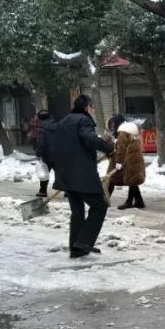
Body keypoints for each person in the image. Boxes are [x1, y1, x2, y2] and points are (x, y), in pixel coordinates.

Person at [51, 94, 112, 259]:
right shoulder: (83, 121)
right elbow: (90, 138)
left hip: (65, 174)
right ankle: (84, 241)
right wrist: (109, 147)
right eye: (92, 107)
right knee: (100, 205)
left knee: (77, 212)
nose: (93, 110)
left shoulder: (63, 122)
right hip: (81, 175)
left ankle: (76, 249)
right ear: (86, 107)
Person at [107, 121, 146, 210]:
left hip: (129, 161)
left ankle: (129, 202)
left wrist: (119, 162)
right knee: (133, 179)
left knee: (130, 179)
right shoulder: (134, 134)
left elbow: (121, 148)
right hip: (136, 160)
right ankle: (139, 201)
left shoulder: (123, 134)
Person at [33, 109, 55, 198]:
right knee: (61, 173)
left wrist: (38, 153)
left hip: (48, 154)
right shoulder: (56, 125)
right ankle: (68, 192)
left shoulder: (41, 129)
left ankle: (43, 191)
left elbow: (41, 143)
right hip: (59, 153)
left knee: (44, 172)